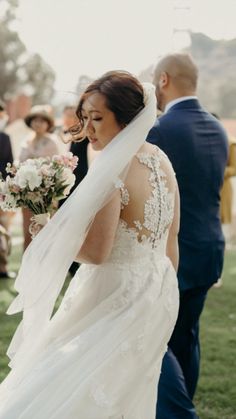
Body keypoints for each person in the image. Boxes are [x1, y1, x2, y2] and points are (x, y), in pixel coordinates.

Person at [0, 71, 180, 418]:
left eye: (97, 118)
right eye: (84, 118)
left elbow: (97, 253)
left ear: (126, 118)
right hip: (159, 291)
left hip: (112, 293)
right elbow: (171, 239)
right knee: (123, 389)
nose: (89, 128)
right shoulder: (162, 160)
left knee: (69, 381)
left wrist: (49, 230)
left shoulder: (114, 168)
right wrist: (165, 292)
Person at [147, 53, 228, 418]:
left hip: (172, 253)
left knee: (157, 341)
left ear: (163, 80)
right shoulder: (217, 127)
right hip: (210, 249)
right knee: (187, 336)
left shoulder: (161, 130)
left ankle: (179, 413)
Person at [19, 105, 59, 250]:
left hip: (45, 195)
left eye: (42, 121)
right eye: (35, 120)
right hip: (26, 195)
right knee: (28, 230)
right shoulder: (25, 142)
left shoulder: (52, 142)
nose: (38, 123)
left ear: (48, 124)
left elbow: (56, 169)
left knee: (44, 231)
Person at [0, 100, 16, 280]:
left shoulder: (5, 138)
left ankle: (3, 267)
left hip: (2, 192)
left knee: (4, 229)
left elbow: (9, 165)